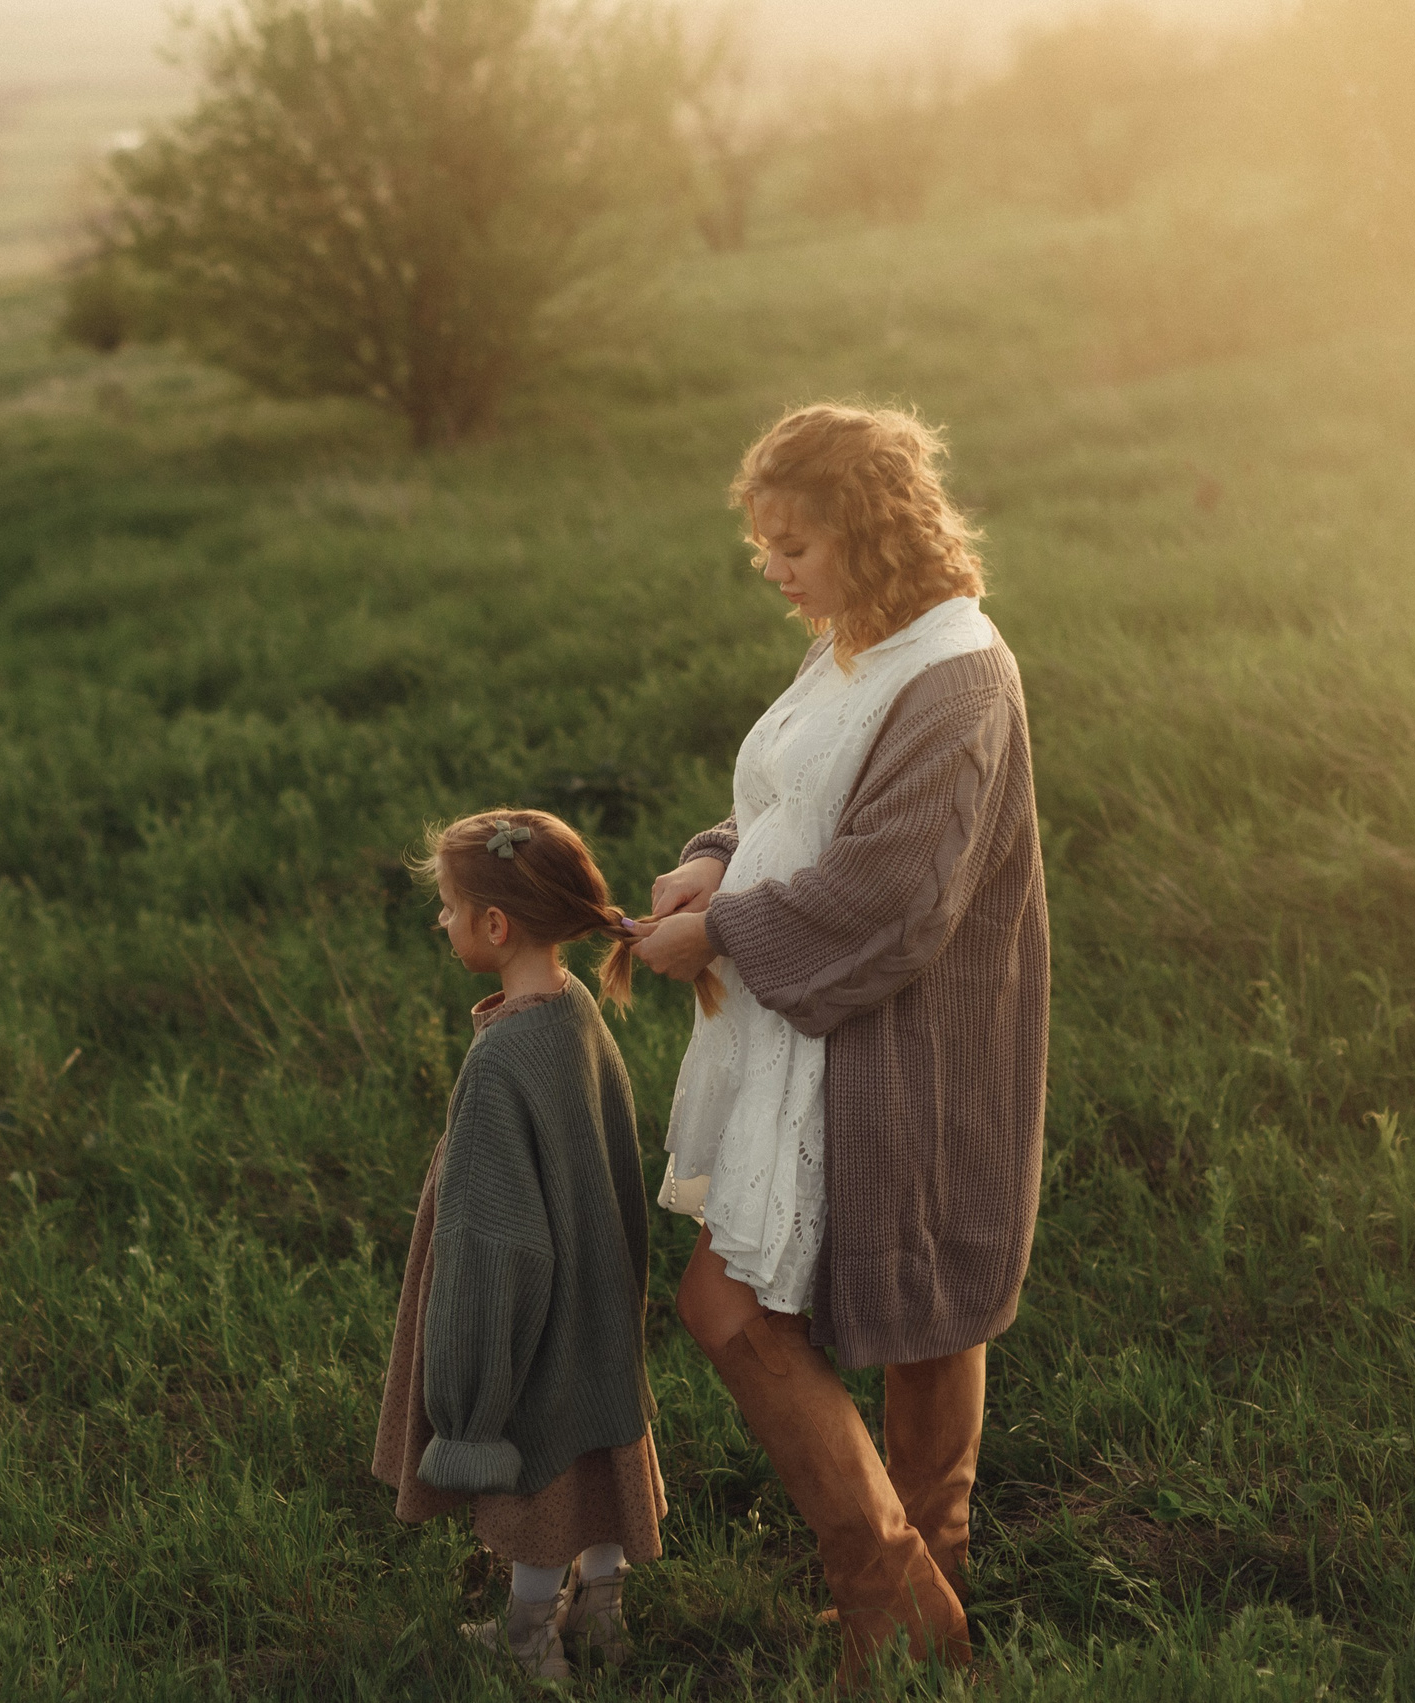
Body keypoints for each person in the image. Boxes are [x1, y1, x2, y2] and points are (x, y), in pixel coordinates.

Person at [628, 403, 1050, 1690]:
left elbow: (896, 890)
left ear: (871, 534)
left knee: (918, 1310)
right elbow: (795, 799)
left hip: (915, 1043)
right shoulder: (853, 642)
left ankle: (904, 1589)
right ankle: (912, 1595)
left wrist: (720, 933)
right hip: (817, 1022)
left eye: (795, 544)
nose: (773, 567)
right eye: (762, 542)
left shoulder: (955, 673)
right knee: (747, 1304)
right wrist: (714, 860)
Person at [371, 808, 668, 1680]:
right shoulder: (574, 1006)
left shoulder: (500, 1062)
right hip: (598, 1290)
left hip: (536, 1314)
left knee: (544, 1468)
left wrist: (473, 1397)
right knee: (597, 1450)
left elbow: (489, 1245)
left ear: (495, 926)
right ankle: (601, 1615)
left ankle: (531, 1641)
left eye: (449, 905)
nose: (442, 920)